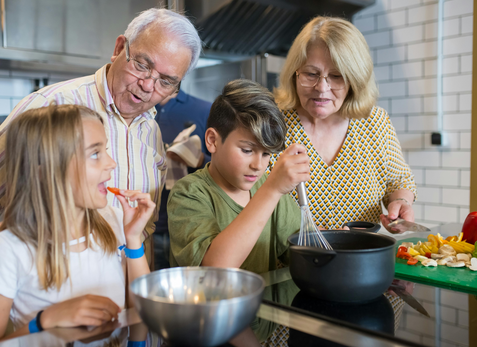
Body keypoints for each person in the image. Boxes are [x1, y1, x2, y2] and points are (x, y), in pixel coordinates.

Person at [0, 8, 201, 345]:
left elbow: (137, 239)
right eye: (142, 64)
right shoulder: (54, 106)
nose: (148, 86)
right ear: (119, 48)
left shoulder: (150, 130)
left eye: (166, 81)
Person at [0, 105, 154, 345]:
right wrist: (46, 320)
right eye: (95, 154)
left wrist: (133, 239)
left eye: (105, 150)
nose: (111, 163)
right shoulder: (6, 251)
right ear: (46, 171)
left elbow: (140, 313)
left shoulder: (114, 219)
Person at [270, 16, 417, 232]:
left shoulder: (375, 123)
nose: (322, 87)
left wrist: (401, 203)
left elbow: (398, 181)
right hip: (291, 262)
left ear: (355, 80)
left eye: (337, 76)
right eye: (311, 74)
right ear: (295, 73)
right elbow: (246, 200)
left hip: (361, 261)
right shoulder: (271, 124)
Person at [167, 79, 310, 274]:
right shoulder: (189, 193)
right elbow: (215, 268)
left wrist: (337, 244)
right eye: (247, 150)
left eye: (266, 154)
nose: (258, 165)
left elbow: (302, 252)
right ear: (212, 141)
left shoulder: (267, 188)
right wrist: (272, 189)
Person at [153, 90, 212, 269]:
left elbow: (225, 166)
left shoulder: (204, 110)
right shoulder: (138, 107)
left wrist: (200, 159)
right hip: (142, 228)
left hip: (190, 228)